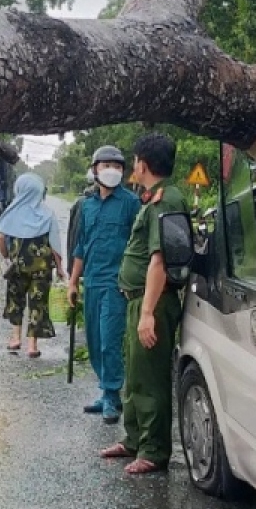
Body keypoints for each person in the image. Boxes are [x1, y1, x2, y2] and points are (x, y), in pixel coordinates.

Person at [100, 133, 188, 475]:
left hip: (152, 302)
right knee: (135, 375)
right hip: (137, 300)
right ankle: (135, 438)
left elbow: (159, 261)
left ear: (143, 164)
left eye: (134, 160)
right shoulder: (152, 200)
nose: (133, 166)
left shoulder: (166, 201)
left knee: (150, 378)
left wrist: (148, 313)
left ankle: (154, 450)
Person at [68, 146, 142, 424]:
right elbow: (81, 247)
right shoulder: (87, 206)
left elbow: (140, 244)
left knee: (110, 340)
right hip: (93, 282)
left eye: (117, 165)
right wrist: (73, 283)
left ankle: (112, 394)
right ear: (94, 169)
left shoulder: (130, 203)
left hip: (117, 284)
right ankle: (105, 390)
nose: (111, 170)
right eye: (105, 165)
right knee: (95, 340)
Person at [0, 173, 65, 358]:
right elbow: (55, 245)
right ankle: (32, 346)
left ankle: (15, 338)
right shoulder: (47, 213)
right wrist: (61, 269)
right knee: (37, 303)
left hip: (17, 266)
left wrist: (7, 255)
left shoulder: (12, 211)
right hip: (42, 268)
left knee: (15, 300)